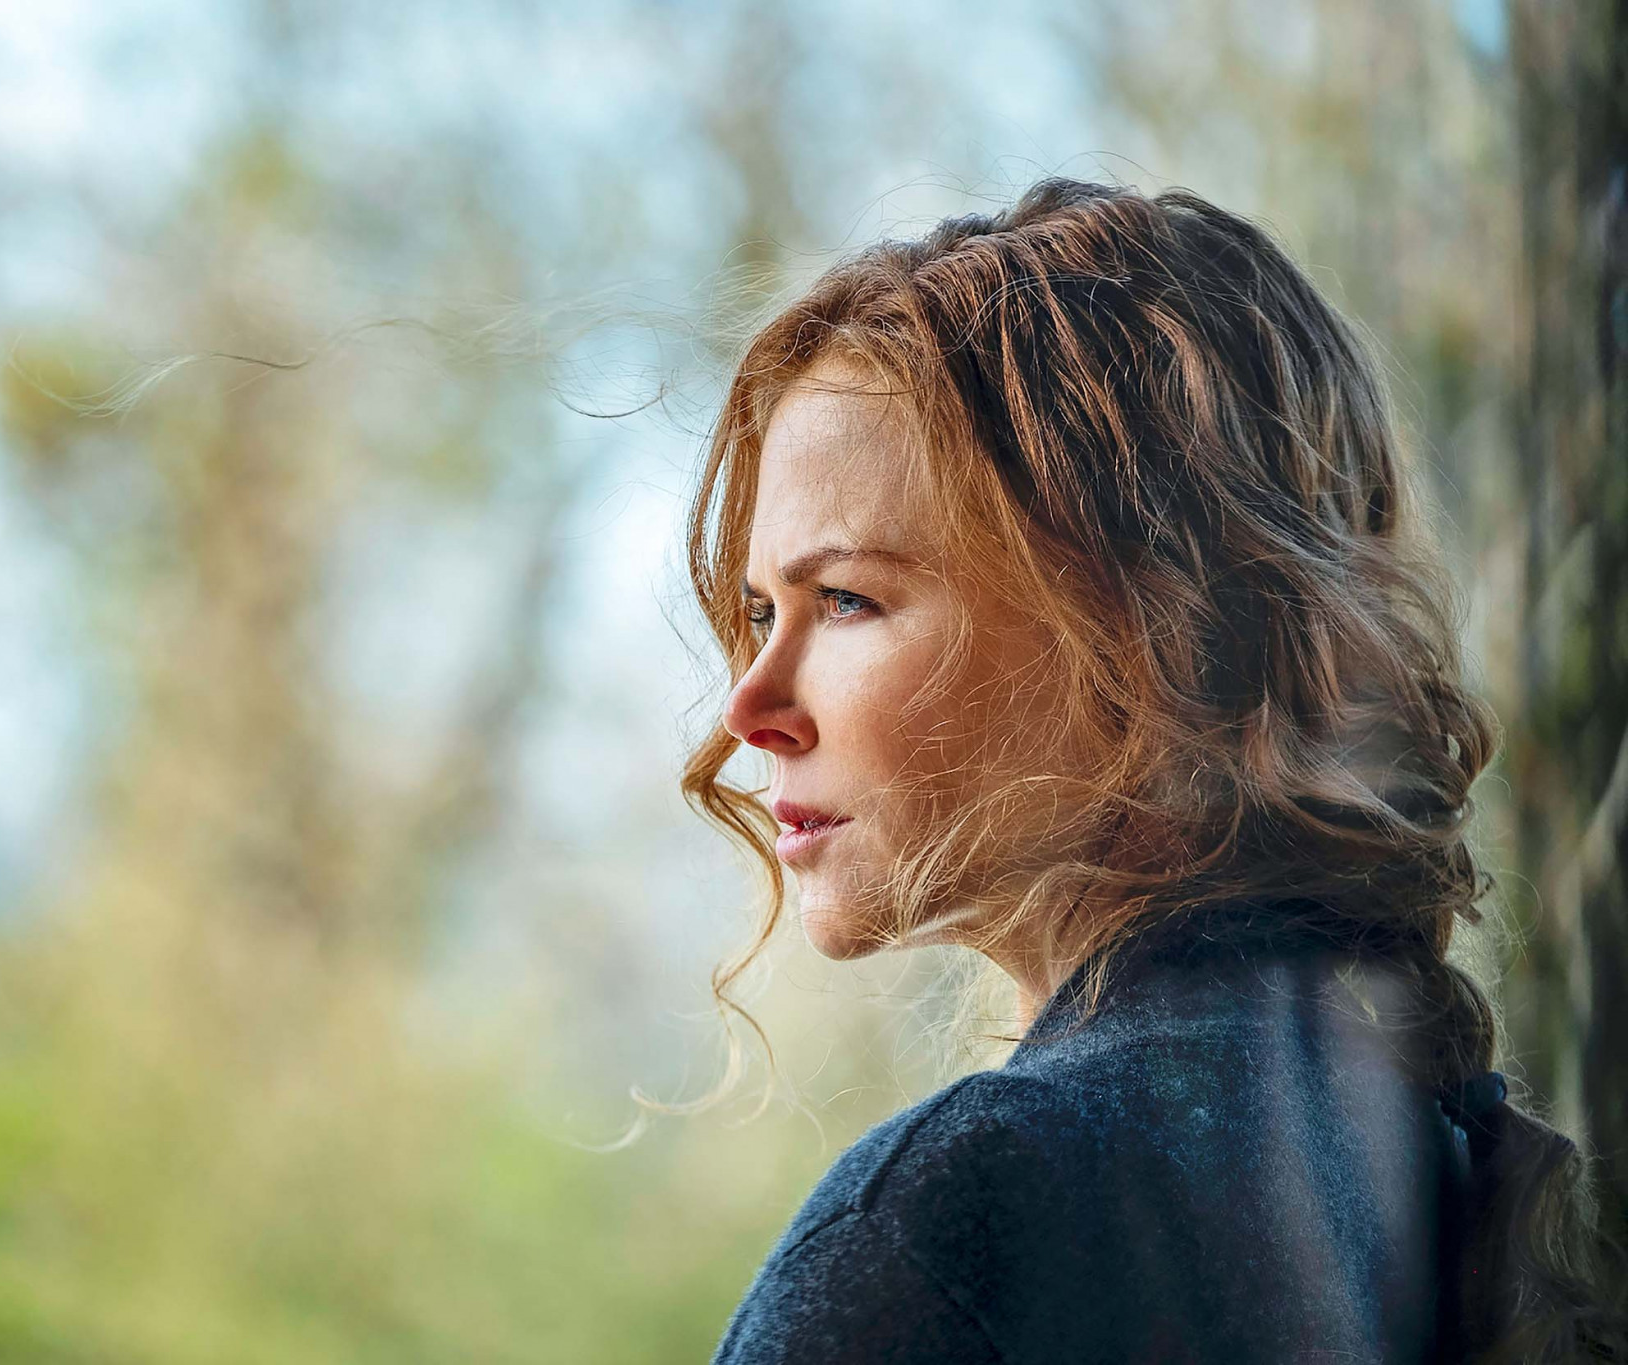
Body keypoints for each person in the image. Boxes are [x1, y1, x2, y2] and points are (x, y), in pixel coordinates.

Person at [675, 177, 1628, 1362]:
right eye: (758, 612)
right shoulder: (1431, 1174)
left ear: (1149, 630)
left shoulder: (960, 1222)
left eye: (844, 599)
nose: (749, 707)